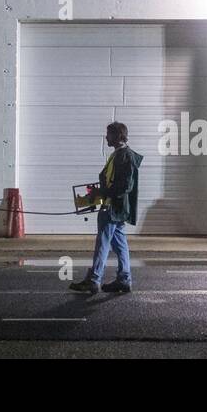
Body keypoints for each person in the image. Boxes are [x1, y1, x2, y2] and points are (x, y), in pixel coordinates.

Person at [69, 122, 142, 295]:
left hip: (111, 208)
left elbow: (125, 186)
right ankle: (124, 279)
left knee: (102, 243)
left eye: (108, 134)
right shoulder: (119, 155)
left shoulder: (125, 156)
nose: (106, 137)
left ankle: (94, 280)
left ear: (118, 136)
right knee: (120, 244)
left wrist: (101, 191)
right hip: (114, 207)